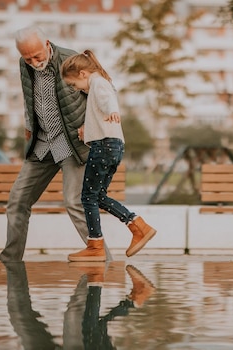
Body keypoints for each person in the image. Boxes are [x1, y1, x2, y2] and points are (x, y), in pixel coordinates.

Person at [0, 26, 99, 262]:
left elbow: (99, 92)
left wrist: (90, 126)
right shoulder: (25, 65)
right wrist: (28, 124)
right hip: (42, 143)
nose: (33, 61)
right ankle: (9, 261)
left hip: (71, 143)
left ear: (47, 44)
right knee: (17, 201)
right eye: (27, 57)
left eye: (37, 55)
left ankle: (103, 260)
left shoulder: (70, 59)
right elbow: (29, 96)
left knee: (74, 202)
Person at [59, 49, 157, 262]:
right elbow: (100, 105)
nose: (75, 89)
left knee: (87, 197)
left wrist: (112, 110)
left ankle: (95, 245)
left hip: (103, 147)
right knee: (98, 196)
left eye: (74, 84)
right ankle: (138, 226)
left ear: (83, 74)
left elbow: (107, 100)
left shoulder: (98, 84)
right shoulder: (96, 84)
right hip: (113, 146)